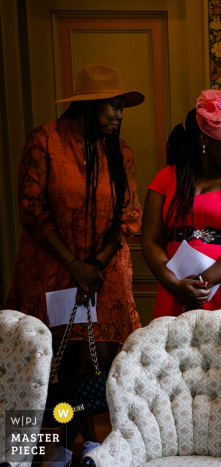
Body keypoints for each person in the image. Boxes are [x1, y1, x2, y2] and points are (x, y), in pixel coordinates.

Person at [4, 64, 144, 466]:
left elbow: (129, 216)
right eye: (112, 107)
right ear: (88, 106)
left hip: (102, 274)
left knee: (91, 361)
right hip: (50, 270)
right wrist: (73, 264)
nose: (119, 115)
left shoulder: (121, 152)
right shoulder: (45, 141)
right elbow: (31, 210)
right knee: (38, 363)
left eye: (121, 107)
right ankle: (30, 451)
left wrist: (95, 263)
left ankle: (76, 448)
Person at [141, 89, 221, 323]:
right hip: (178, 286)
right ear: (204, 139)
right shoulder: (166, 178)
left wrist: (202, 282)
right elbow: (151, 240)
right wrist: (174, 284)